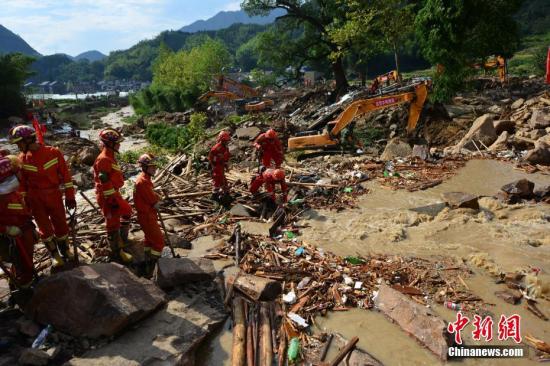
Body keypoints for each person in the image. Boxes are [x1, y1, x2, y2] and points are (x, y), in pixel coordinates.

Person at [9, 125, 75, 269]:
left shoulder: (54, 153)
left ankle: (65, 250)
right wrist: (25, 202)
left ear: (28, 139)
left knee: (61, 224)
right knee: (44, 228)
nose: (18, 146)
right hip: (35, 198)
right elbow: (22, 185)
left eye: (20, 142)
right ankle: (55, 255)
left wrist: (70, 196)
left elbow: (66, 176)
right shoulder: (22, 159)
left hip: (54, 194)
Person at [93, 128, 132, 264]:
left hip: (113, 193)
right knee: (112, 223)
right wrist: (111, 199)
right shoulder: (103, 159)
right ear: (109, 143)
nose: (119, 145)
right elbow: (104, 181)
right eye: (117, 143)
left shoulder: (109, 156)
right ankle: (117, 251)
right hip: (107, 196)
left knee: (127, 210)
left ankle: (123, 238)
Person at [0, 156, 37, 289]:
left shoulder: (12, 192)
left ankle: (23, 282)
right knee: (21, 263)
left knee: (27, 260)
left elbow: (23, 211)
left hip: (24, 230)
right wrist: (7, 229)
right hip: (13, 237)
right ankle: (23, 287)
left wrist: (32, 229)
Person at [134, 153, 164, 276]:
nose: (154, 168)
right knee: (158, 242)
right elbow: (152, 200)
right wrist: (157, 200)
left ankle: (146, 262)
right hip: (147, 216)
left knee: (149, 241)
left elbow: (152, 196)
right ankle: (152, 268)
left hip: (146, 215)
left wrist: (156, 197)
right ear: (145, 167)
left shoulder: (145, 179)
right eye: (152, 167)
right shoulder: (143, 182)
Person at [208, 131, 231, 198]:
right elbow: (211, 158)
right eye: (226, 140)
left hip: (221, 165)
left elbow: (227, 156)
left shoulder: (225, 147)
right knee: (217, 178)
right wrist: (214, 165)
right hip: (217, 165)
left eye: (227, 140)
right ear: (222, 140)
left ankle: (226, 192)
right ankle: (215, 194)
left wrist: (226, 164)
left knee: (223, 179)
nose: (227, 142)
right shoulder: (216, 148)